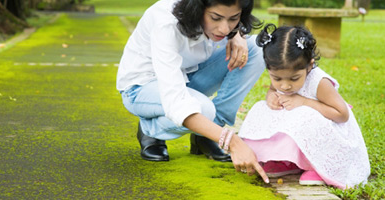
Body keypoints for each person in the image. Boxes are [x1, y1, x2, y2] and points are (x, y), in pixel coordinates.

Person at [116, 0, 269, 183]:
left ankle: (206, 135)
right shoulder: (166, 23)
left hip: (186, 76)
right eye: (216, 18)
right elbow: (176, 102)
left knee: (256, 48)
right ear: (198, 8)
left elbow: (231, 25)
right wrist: (233, 143)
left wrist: (237, 34)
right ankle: (151, 129)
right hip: (141, 87)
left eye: (233, 18)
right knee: (204, 109)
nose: (224, 28)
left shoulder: (226, 26)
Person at [238, 23, 371, 189]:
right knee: (261, 108)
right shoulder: (282, 76)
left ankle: (316, 167)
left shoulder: (319, 82)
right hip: (302, 126)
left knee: (305, 115)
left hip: (331, 133)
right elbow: (274, 90)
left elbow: (342, 114)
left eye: (294, 79)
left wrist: (304, 102)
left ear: (309, 65)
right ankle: (287, 161)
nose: (285, 86)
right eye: (277, 79)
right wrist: (271, 96)